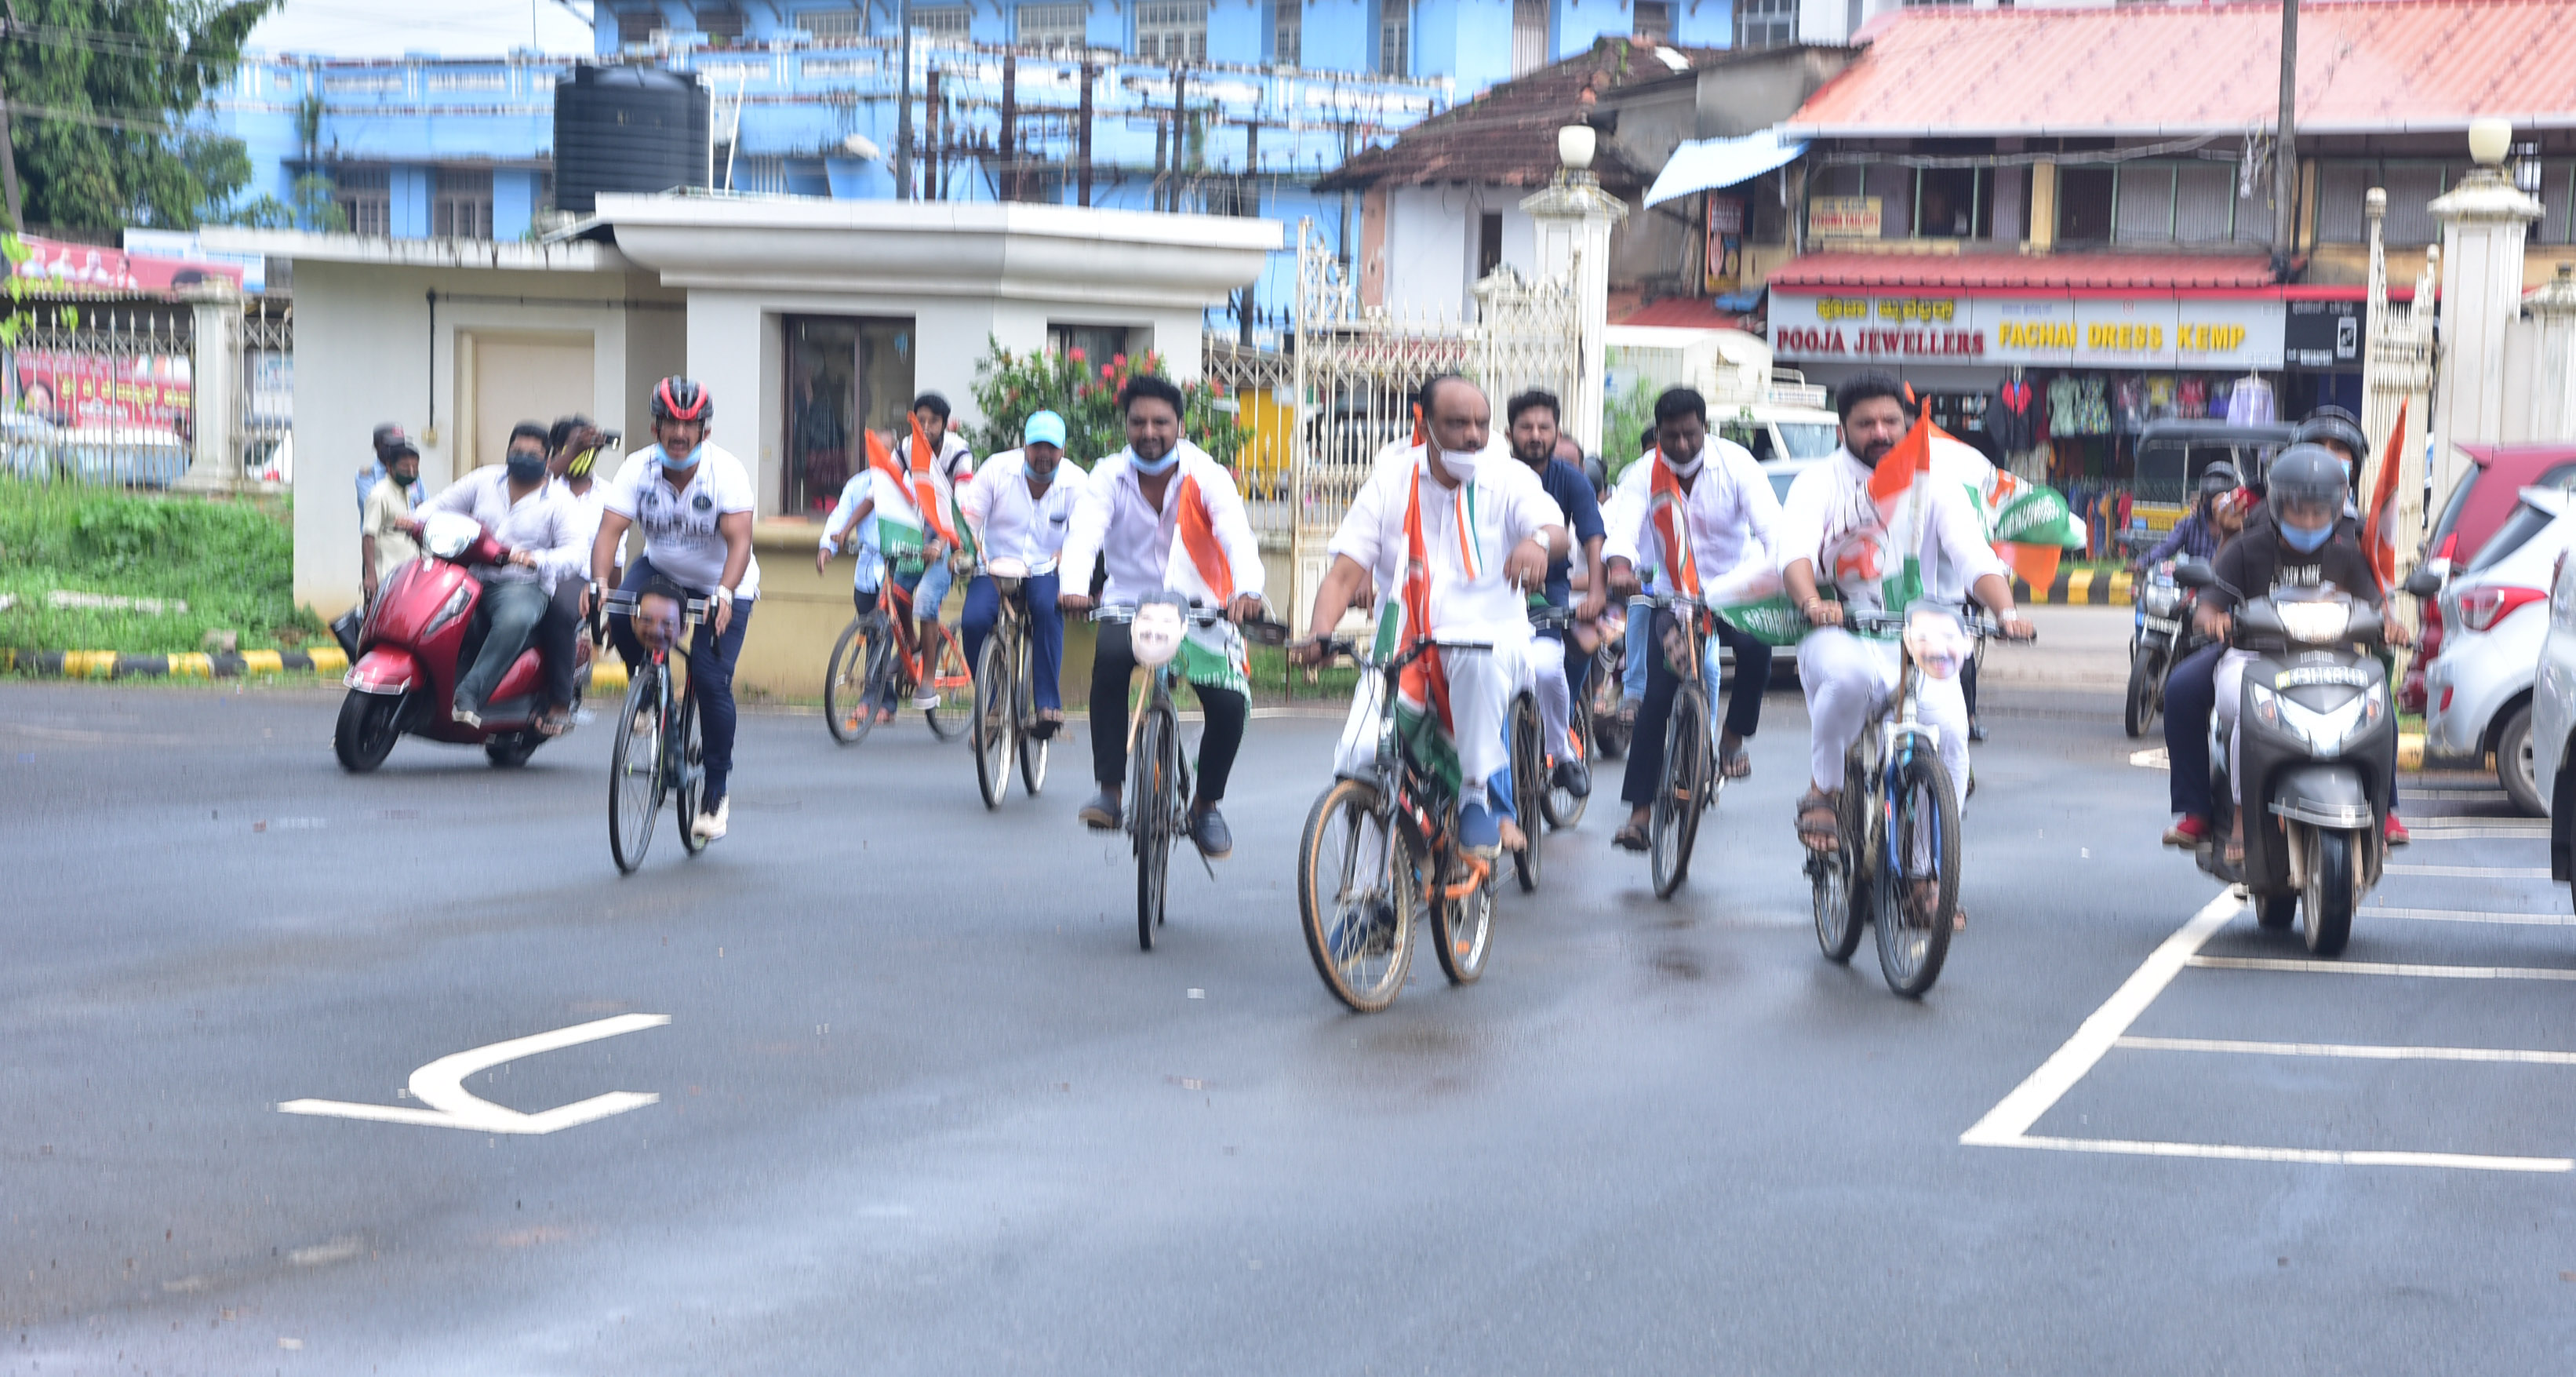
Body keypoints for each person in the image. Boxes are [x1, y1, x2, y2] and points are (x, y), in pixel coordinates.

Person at [1297, 374, 1568, 859]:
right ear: (1425, 426)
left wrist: (1539, 542)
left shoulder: (1508, 478)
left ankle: (1475, 793)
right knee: (1359, 756)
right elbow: (1343, 575)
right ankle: (1366, 893)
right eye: (1458, 423)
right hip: (1404, 649)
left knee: (1477, 659)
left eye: (1481, 423)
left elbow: (1552, 526)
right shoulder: (1391, 481)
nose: (1473, 435)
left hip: (1489, 642)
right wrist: (1320, 633)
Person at [1778, 373, 2034, 869]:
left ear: (1907, 425)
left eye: (1890, 421)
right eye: (1866, 423)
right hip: (1841, 627)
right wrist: (1812, 603)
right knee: (1849, 679)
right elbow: (1795, 555)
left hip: (1922, 634)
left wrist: (2006, 612)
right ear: (1842, 431)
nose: (1880, 432)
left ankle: (1925, 872)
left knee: (1951, 736)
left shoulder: (1934, 482)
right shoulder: (1819, 482)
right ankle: (1824, 789)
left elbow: (1973, 556)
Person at [2164, 443, 2410, 856]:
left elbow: (2377, 608)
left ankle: (2385, 810)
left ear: (2337, 508)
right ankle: (2231, 814)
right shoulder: (2247, 548)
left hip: (2334, 660)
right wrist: (2216, 620)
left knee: (2378, 703)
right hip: (2255, 657)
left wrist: (2391, 626)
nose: (2309, 520)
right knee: (2217, 699)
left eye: (2319, 511)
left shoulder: (2348, 555)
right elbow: (2208, 606)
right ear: (2279, 505)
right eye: (2299, 511)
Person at [1059, 374, 1268, 858]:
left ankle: (1206, 806)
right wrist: (1073, 588)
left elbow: (1236, 535)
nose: (1149, 432)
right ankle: (1110, 793)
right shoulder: (1108, 476)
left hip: (1200, 606)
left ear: (1180, 426)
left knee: (1228, 705)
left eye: (1160, 422)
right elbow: (1084, 535)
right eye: (1138, 422)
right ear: (1126, 426)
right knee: (1110, 666)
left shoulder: (1206, 475)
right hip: (1129, 604)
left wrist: (1247, 590)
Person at [1603, 386, 1785, 853]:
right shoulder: (1645, 473)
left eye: (1690, 434)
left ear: (1705, 428)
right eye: (1671, 436)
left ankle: (1731, 741)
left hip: (1735, 591)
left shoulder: (1737, 464)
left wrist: (1778, 575)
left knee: (1755, 651)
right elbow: (1622, 531)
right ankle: (1639, 817)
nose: (1681, 445)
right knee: (1658, 697)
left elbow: (1772, 531)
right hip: (1674, 597)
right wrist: (1620, 568)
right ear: (1659, 434)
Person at [588, 377, 759, 843]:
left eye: (689, 425)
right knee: (620, 613)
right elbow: (609, 532)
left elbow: (740, 542)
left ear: (705, 430)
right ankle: (646, 689)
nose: (679, 433)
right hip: (662, 570)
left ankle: (716, 792)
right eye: (670, 424)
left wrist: (725, 593)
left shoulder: (727, 472)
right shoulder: (637, 468)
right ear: (655, 427)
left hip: (723, 580)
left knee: (709, 676)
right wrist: (599, 582)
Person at [417, 421, 585, 731]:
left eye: (532, 454)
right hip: (470, 574)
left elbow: (574, 554)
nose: (523, 458)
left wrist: (536, 559)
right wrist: (413, 521)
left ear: (548, 460)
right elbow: (439, 505)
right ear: (507, 452)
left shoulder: (561, 502)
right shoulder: (483, 480)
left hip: (521, 585)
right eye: (517, 451)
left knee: (515, 620)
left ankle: (469, 694)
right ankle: (422, 684)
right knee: (424, 604)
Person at [957, 410, 1088, 738]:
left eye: (1051, 448)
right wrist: (965, 548)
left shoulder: (1077, 483)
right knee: (973, 620)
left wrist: (1067, 555)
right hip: (995, 564)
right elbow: (969, 521)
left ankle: (1047, 705)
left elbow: (1085, 534)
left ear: (1063, 449)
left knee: (1047, 608)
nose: (1044, 454)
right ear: (1024, 446)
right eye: (1037, 446)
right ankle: (991, 704)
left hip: (1045, 568)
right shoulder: (996, 470)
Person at [1504, 391, 1606, 800]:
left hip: (1548, 592)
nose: (1535, 435)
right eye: (1526, 427)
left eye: (1543, 427)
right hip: (1495, 591)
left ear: (1556, 433)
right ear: (1509, 433)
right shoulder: (1492, 476)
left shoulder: (1572, 480)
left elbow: (1593, 536)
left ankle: (1561, 753)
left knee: (1547, 669)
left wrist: (1596, 590)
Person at [897, 391, 978, 679]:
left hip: (955, 535)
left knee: (926, 598)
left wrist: (941, 542)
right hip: (923, 528)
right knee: (897, 592)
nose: (926, 427)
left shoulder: (959, 453)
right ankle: (914, 645)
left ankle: (928, 679)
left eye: (933, 421)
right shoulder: (907, 448)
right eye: (920, 420)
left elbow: (962, 508)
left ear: (944, 423)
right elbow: (886, 484)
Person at [360, 438, 423, 607]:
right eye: (405, 468)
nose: (411, 472)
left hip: (407, 573)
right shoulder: (379, 496)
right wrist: (370, 577)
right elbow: (368, 536)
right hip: (387, 575)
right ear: (389, 467)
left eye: (415, 467)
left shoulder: (405, 492)